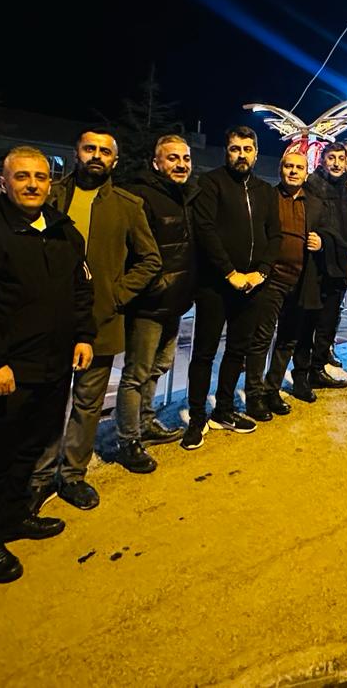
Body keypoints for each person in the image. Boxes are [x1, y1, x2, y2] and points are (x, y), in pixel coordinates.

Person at [0, 146, 95, 584]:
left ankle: (15, 516)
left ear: (50, 183)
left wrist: (84, 335)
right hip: (7, 371)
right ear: (4, 182)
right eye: (22, 177)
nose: (32, 184)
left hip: (53, 365)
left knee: (32, 447)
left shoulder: (63, 230)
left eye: (40, 177)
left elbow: (81, 290)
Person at [36, 131, 161, 502]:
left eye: (105, 152)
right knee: (47, 403)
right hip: (49, 321)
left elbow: (150, 259)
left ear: (114, 161)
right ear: (76, 153)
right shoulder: (50, 197)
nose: (96, 156)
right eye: (89, 149)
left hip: (100, 321)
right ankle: (39, 477)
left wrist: (117, 295)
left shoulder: (127, 205)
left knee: (88, 404)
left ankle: (72, 475)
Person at [182, 125, 279, 450]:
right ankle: (197, 418)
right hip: (215, 285)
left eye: (247, 149)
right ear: (227, 151)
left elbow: (274, 235)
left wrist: (261, 272)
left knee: (238, 350)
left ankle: (223, 409)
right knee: (204, 353)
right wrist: (229, 273)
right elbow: (205, 230)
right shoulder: (210, 183)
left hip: (252, 286)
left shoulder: (265, 191)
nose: (241, 155)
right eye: (235, 149)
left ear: (255, 153)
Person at [114, 134, 199, 474]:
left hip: (176, 299)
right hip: (149, 302)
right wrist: (153, 287)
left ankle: (146, 421)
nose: (181, 164)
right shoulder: (141, 196)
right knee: (136, 373)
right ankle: (128, 439)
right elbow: (134, 251)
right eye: (172, 158)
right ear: (156, 163)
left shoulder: (186, 195)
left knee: (159, 365)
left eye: (186, 158)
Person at [252, 151, 336, 409]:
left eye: (299, 167)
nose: (293, 171)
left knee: (288, 339)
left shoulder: (315, 203)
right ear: (280, 169)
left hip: (301, 281)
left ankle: (272, 390)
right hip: (271, 280)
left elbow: (328, 234)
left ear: (306, 172)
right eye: (288, 166)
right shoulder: (268, 197)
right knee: (261, 339)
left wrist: (321, 243)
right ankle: (254, 395)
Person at [304, 142, 347, 388]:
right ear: (322, 160)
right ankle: (303, 372)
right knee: (308, 323)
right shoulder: (312, 187)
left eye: (341, 158)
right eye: (331, 158)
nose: (336, 163)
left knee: (328, 322)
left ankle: (318, 368)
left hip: (340, 265)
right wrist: (325, 243)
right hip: (316, 267)